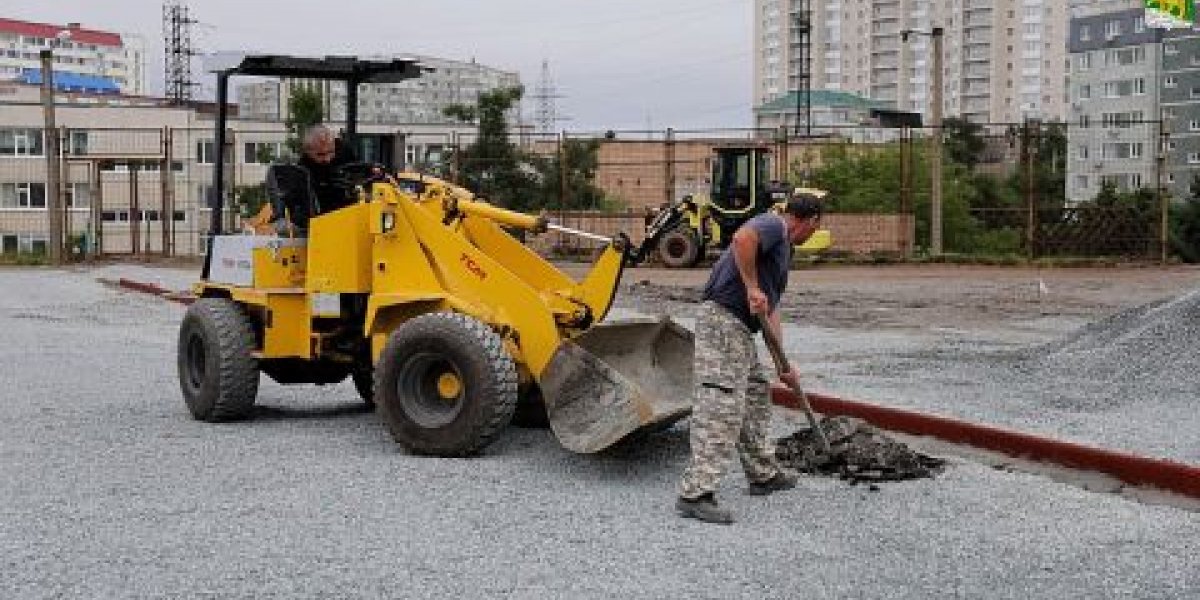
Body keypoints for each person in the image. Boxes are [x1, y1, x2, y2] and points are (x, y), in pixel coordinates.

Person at [675, 193, 824, 525]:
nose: (814, 233)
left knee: (756, 395)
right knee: (721, 402)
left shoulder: (785, 251)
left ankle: (762, 474)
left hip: (740, 328)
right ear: (810, 220)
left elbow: (770, 309)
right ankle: (695, 493)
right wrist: (751, 287)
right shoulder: (774, 224)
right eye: (816, 227)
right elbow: (742, 238)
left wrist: (782, 364)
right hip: (723, 320)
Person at [265, 125, 357, 235]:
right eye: (320, 154)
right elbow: (301, 206)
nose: (327, 159)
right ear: (308, 151)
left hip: (353, 212)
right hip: (324, 220)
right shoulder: (303, 171)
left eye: (331, 152)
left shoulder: (345, 151)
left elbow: (359, 171)